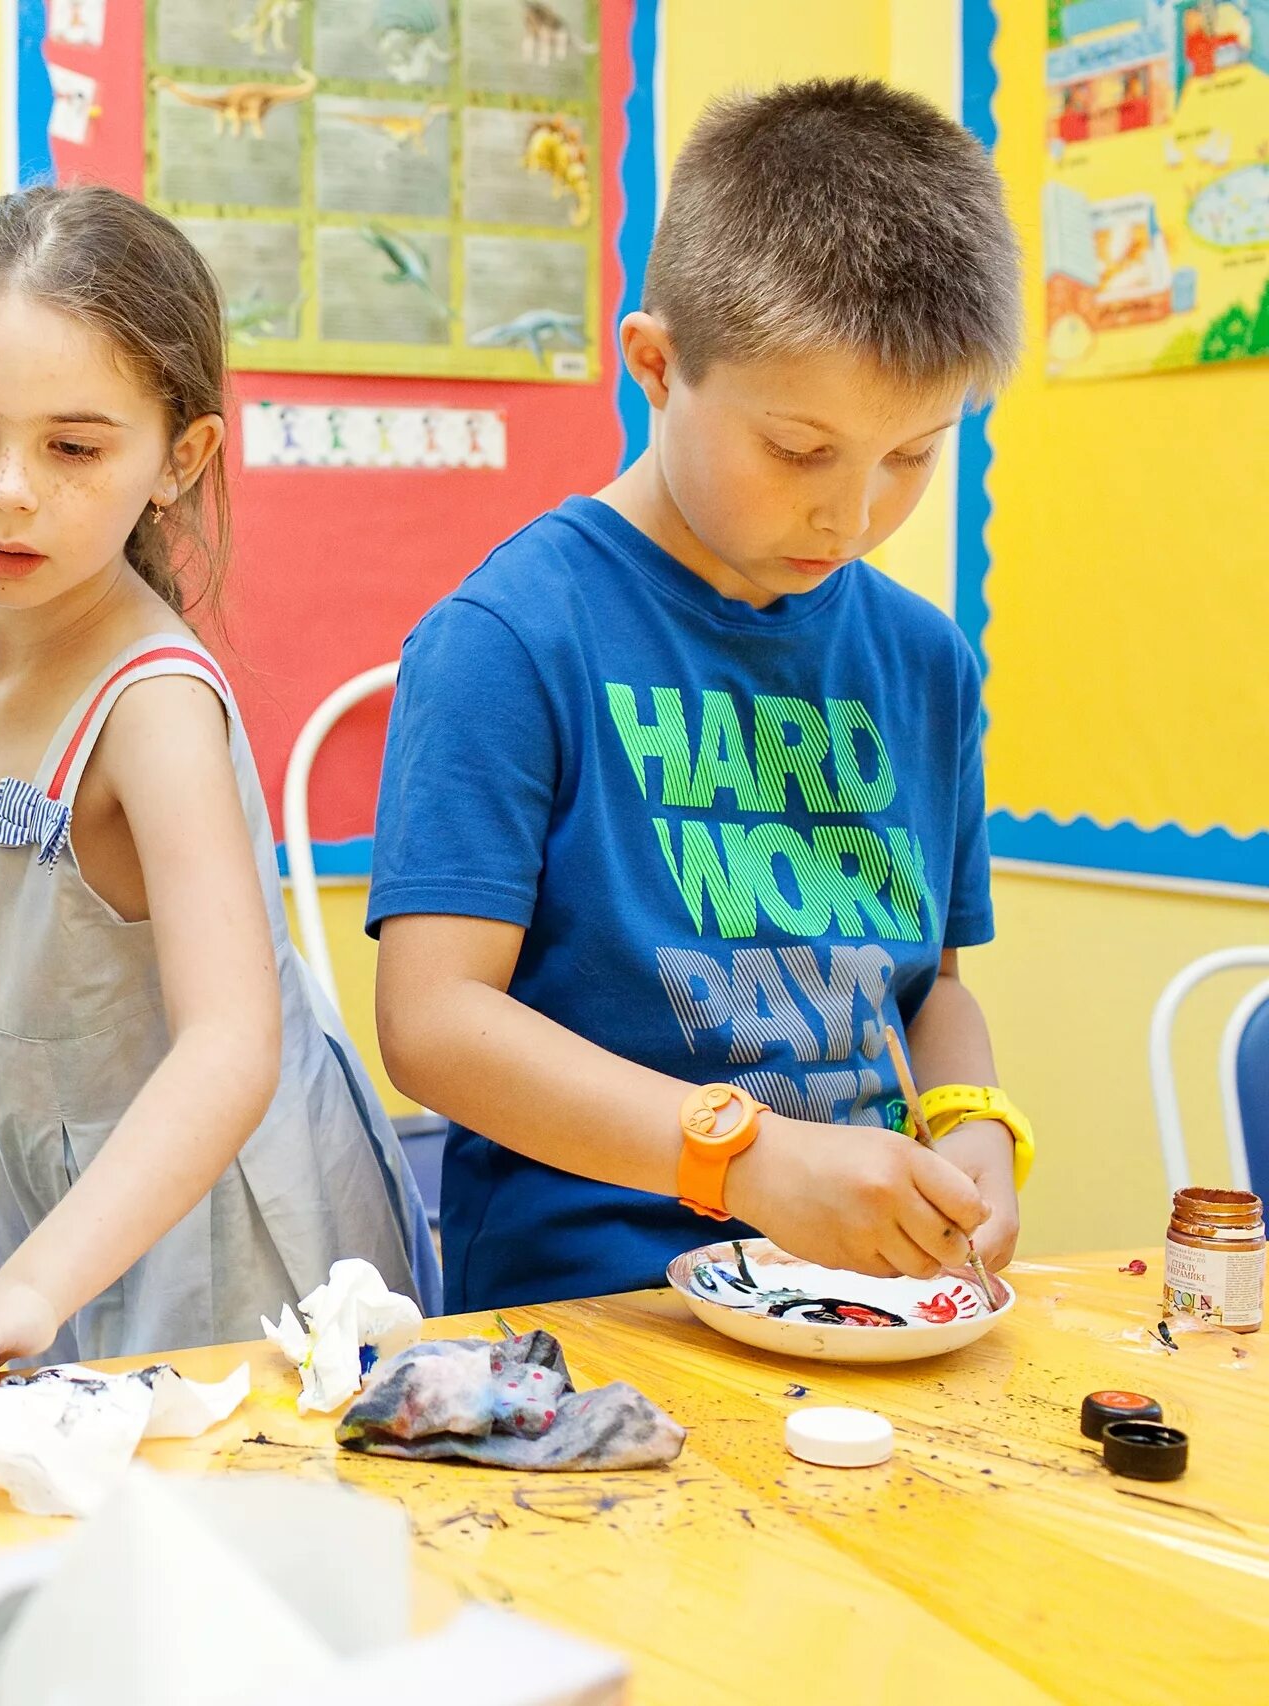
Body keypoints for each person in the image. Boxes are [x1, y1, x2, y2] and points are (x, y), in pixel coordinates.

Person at [0, 184, 436, 1405]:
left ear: (179, 459)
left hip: (234, 1234)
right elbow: (36, 952)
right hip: (76, 1212)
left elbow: (230, 1044)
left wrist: (23, 1290)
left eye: (71, 446)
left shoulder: (152, 703)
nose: (9, 489)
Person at [368, 80, 1035, 1312]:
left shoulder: (926, 661)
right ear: (656, 365)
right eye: (798, 450)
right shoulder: (509, 637)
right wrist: (748, 1156)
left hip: (861, 1297)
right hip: (592, 1308)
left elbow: (932, 986)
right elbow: (431, 1022)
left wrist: (970, 1122)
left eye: (910, 455)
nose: (851, 514)